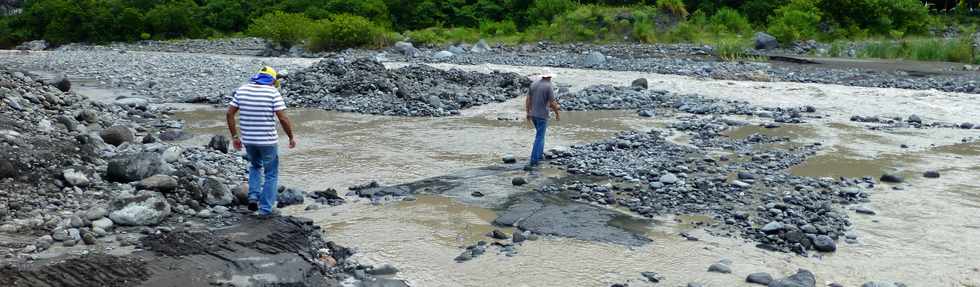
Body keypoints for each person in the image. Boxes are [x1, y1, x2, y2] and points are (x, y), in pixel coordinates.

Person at [226, 66, 296, 217]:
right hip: (268, 141)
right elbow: (283, 118)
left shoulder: (242, 90)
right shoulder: (272, 92)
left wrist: (235, 136)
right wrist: (291, 137)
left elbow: (229, 113)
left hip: (249, 140)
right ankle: (265, 209)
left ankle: (252, 197)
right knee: (271, 174)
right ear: (272, 80)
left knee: (255, 167)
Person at [524, 70, 560, 170]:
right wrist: (557, 113)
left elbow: (528, 100)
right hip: (542, 115)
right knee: (539, 137)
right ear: (550, 77)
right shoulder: (549, 86)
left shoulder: (534, 84)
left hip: (533, 114)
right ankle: (534, 160)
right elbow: (552, 103)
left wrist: (528, 113)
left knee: (540, 135)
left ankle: (539, 156)